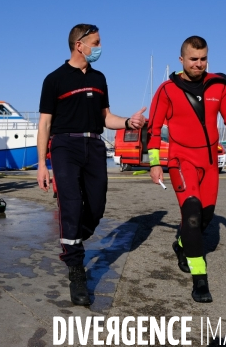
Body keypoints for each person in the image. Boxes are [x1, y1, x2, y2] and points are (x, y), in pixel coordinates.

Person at [36, 24, 146, 306]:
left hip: (95, 146)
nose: (99, 48)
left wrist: (128, 122)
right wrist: (41, 164)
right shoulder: (55, 79)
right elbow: (45, 124)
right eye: (95, 43)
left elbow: (106, 117)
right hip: (64, 146)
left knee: (96, 207)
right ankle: (76, 270)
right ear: (79, 45)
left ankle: (73, 237)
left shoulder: (99, 78)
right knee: (71, 205)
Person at [147, 36, 226, 303]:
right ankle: (199, 277)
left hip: (209, 163)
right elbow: (154, 129)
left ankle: (181, 243)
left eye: (203, 58)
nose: (199, 64)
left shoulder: (219, 85)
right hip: (181, 160)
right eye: (193, 59)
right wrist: (155, 162)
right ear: (182, 60)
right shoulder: (167, 90)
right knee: (191, 215)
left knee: (204, 219)